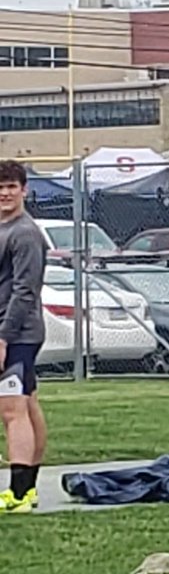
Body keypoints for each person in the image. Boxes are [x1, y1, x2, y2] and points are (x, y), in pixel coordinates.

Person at [0, 161, 49, 515]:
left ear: (24, 190)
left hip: (18, 332)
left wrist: (4, 337)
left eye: (11, 187)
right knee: (28, 403)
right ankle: (28, 488)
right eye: (0, 187)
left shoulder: (25, 233)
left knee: (11, 408)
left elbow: (25, 290)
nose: (5, 193)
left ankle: (18, 491)